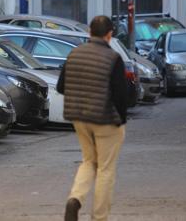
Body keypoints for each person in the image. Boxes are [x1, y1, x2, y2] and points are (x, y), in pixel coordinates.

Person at [56, 15, 129, 221]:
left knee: (88, 161)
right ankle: (99, 217)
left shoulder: (74, 54)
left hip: (79, 118)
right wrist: (121, 120)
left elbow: (61, 86)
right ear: (109, 34)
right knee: (106, 169)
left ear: (89, 32)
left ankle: (75, 199)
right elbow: (120, 95)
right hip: (105, 120)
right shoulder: (113, 58)